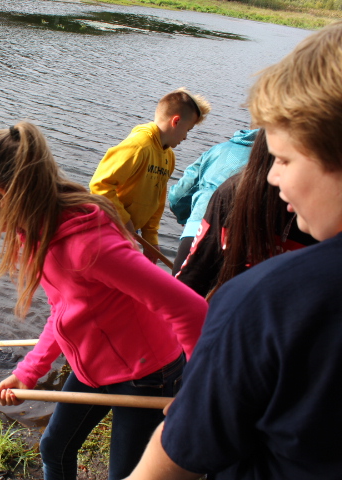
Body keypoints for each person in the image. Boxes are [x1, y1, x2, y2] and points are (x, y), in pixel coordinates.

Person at [125, 21, 342, 480]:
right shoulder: (229, 199)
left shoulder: (261, 301)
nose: (273, 177)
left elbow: (171, 462)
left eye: (284, 160)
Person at [0, 120, 208, 480]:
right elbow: (64, 312)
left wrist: (200, 393)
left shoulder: (87, 245)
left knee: (127, 474)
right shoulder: (39, 233)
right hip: (96, 364)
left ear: (3, 195)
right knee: (55, 448)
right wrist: (28, 373)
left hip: (147, 373)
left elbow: (190, 309)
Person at [174, 129, 316, 297]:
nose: (274, 177)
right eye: (279, 160)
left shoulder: (323, 221)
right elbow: (193, 277)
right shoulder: (232, 193)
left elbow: (178, 197)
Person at [89, 88, 210, 263]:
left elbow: (156, 202)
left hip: (130, 232)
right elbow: (100, 185)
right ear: (176, 121)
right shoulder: (138, 146)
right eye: (188, 130)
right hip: (106, 228)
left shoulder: (168, 156)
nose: (186, 137)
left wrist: (151, 240)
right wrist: (125, 221)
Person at [168, 129, 258, 274]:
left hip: (196, 231)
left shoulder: (218, 150)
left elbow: (178, 195)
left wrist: (187, 218)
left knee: (174, 293)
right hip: (238, 245)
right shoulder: (273, 161)